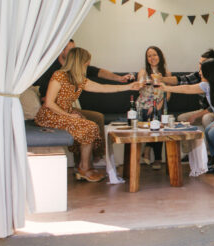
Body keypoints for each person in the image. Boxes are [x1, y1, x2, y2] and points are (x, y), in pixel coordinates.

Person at [35, 47, 142, 182]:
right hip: (49, 116)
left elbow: (103, 88)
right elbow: (49, 103)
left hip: (64, 114)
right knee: (89, 127)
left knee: (89, 124)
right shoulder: (59, 76)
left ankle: (85, 166)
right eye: (86, 62)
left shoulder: (79, 80)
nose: (88, 64)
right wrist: (68, 115)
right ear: (79, 62)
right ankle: (84, 168)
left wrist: (129, 87)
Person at [136, 46, 171, 167]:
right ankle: (148, 150)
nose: (152, 58)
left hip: (159, 104)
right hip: (143, 104)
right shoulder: (143, 71)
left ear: (160, 56)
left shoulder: (166, 73)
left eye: (154, 55)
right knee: (148, 115)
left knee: (158, 118)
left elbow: (168, 94)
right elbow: (138, 86)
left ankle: (155, 157)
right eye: (149, 56)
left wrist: (157, 107)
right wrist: (143, 82)